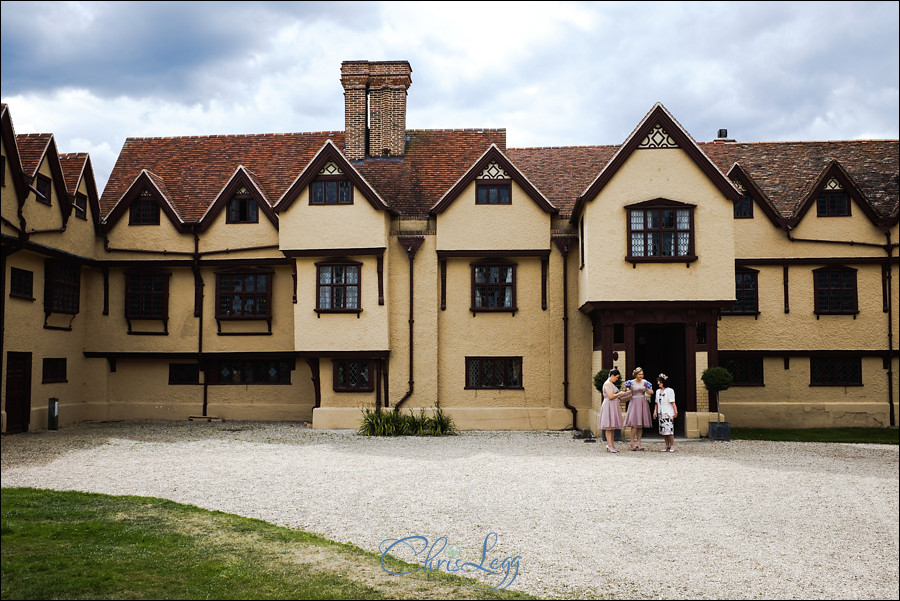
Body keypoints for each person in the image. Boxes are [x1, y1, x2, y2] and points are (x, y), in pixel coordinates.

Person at [599, 368, 629, 453]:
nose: (617, 379)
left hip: (613, 405)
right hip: (609, 405)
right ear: (612, 376)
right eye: (616, 377)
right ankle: (609, 444)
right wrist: (619, 394)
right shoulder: (608, 384)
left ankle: (612, 445)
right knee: (608, 427)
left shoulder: (611, 383)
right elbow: (610, 396)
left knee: (612, 427)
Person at [623, 367, 653, 450]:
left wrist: (646, 389)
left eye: (642, 374)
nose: (641, 376)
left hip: (643, 402)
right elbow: (626, 392)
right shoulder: (631, 382)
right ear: (635, 374)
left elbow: (651, 392)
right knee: (635, 425)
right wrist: (629, 390)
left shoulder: (645, 382)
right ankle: (632, 442)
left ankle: (639, 443)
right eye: (639, 374)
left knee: (640, 425)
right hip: (634, 402)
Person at [653, 373, 677, 452]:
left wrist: (675, 412)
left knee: (669, 430)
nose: (658, 383)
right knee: (663, 431)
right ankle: (666, 445)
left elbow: (672, 402)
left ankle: (672, 445)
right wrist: (655, 411)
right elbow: (656, 403)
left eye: (659, 381)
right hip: (661, 413)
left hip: (668, 413)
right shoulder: (657, 391)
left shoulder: (670, 391)